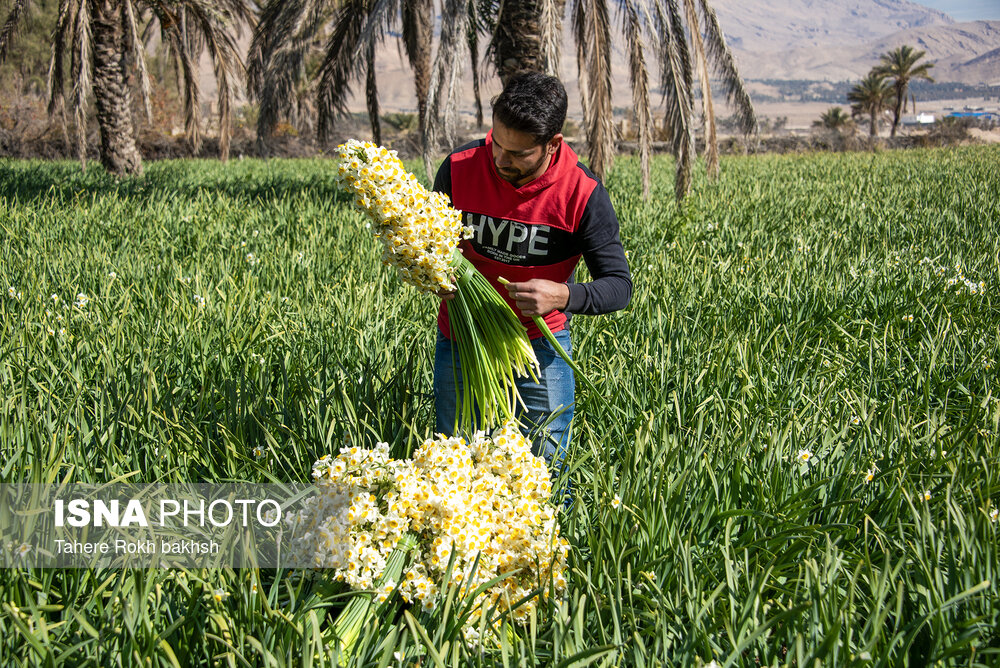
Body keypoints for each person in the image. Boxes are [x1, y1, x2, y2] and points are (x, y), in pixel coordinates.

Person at [432, 72, 632, 470]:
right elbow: (430, 243)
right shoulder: (458, 169)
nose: (500, 160)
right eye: (496, 143)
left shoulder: (583, 193)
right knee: (454, 464)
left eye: (517, 154)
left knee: (545, 467)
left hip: (539, 345)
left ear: (552, 144)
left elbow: (620, 286)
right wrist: (433, 274)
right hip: (460, 337)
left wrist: (563, 296)